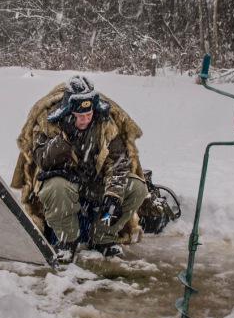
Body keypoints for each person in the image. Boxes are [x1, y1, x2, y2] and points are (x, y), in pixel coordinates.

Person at [11, 76, 149, 262]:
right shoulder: (48, 122)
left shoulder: (106, 123)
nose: (85, 120)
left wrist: (113, 196)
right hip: (65, 183)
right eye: (80, 116)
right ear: (69, 111)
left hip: (96, 184)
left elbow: (118, 163)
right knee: (56, 188)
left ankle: (103, 237)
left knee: (137, 188)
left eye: (88, 114)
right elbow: (41, 159)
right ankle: (67, 241)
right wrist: (64, 139)